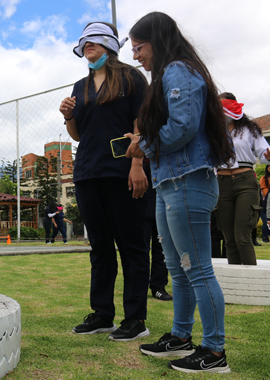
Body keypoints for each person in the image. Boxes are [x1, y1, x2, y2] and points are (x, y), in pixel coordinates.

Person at [125, 11, 235, 373]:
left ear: (156, 41)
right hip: (171, 182)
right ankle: (180, 336)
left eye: (138, 47)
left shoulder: (179, 71)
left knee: (198, 269)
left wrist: (145, 147)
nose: (136, 55)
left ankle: (214, 351)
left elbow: (183, 127)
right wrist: (146, 145)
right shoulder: (168, 75)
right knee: (179, 268)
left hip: (189, 181)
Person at [59, 21, 150, 342]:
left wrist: (137, 163)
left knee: (132, 245)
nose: (87, 47)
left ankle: (136, 318)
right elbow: (79, 135)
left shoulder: (131, 77)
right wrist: (69, 115)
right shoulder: (79, 86)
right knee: (99, 247)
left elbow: (142, 122)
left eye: (93, 42)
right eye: (84, 43)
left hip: (124, 171)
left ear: (109, 45)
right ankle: (102, 314)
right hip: (87, 172)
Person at [216, 93, 269, 265]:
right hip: (221, 183)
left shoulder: (249, 129)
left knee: (242, 237)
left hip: (245, 181)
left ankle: (250, 286)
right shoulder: (212, 130)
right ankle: (235, 287)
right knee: (229, 239)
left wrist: (268, 156)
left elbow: (263, 151)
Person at [143, 164, 172, 301]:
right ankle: (139, 286)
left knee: (161, 248)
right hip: (141, 200)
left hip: (162, 199)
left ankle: (158, 286)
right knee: (139, 250)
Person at [260, 165, 270, 243]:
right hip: (265, 201)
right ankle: (265, 237)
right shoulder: (264, 178)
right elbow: (263, 188)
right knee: (265, 220)